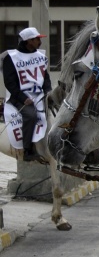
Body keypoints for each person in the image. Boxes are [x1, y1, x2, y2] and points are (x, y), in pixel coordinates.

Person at [3, 26, 49, 160]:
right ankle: (27, 150)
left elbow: (45, 78)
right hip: (20, 97)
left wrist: (48, 92)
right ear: (29, 41)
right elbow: (10, 83)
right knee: (30, 115)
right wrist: (23, 99)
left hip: (40, 94)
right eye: (37, 39)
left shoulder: (40, 56)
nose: (39, 42)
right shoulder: (11, 58)